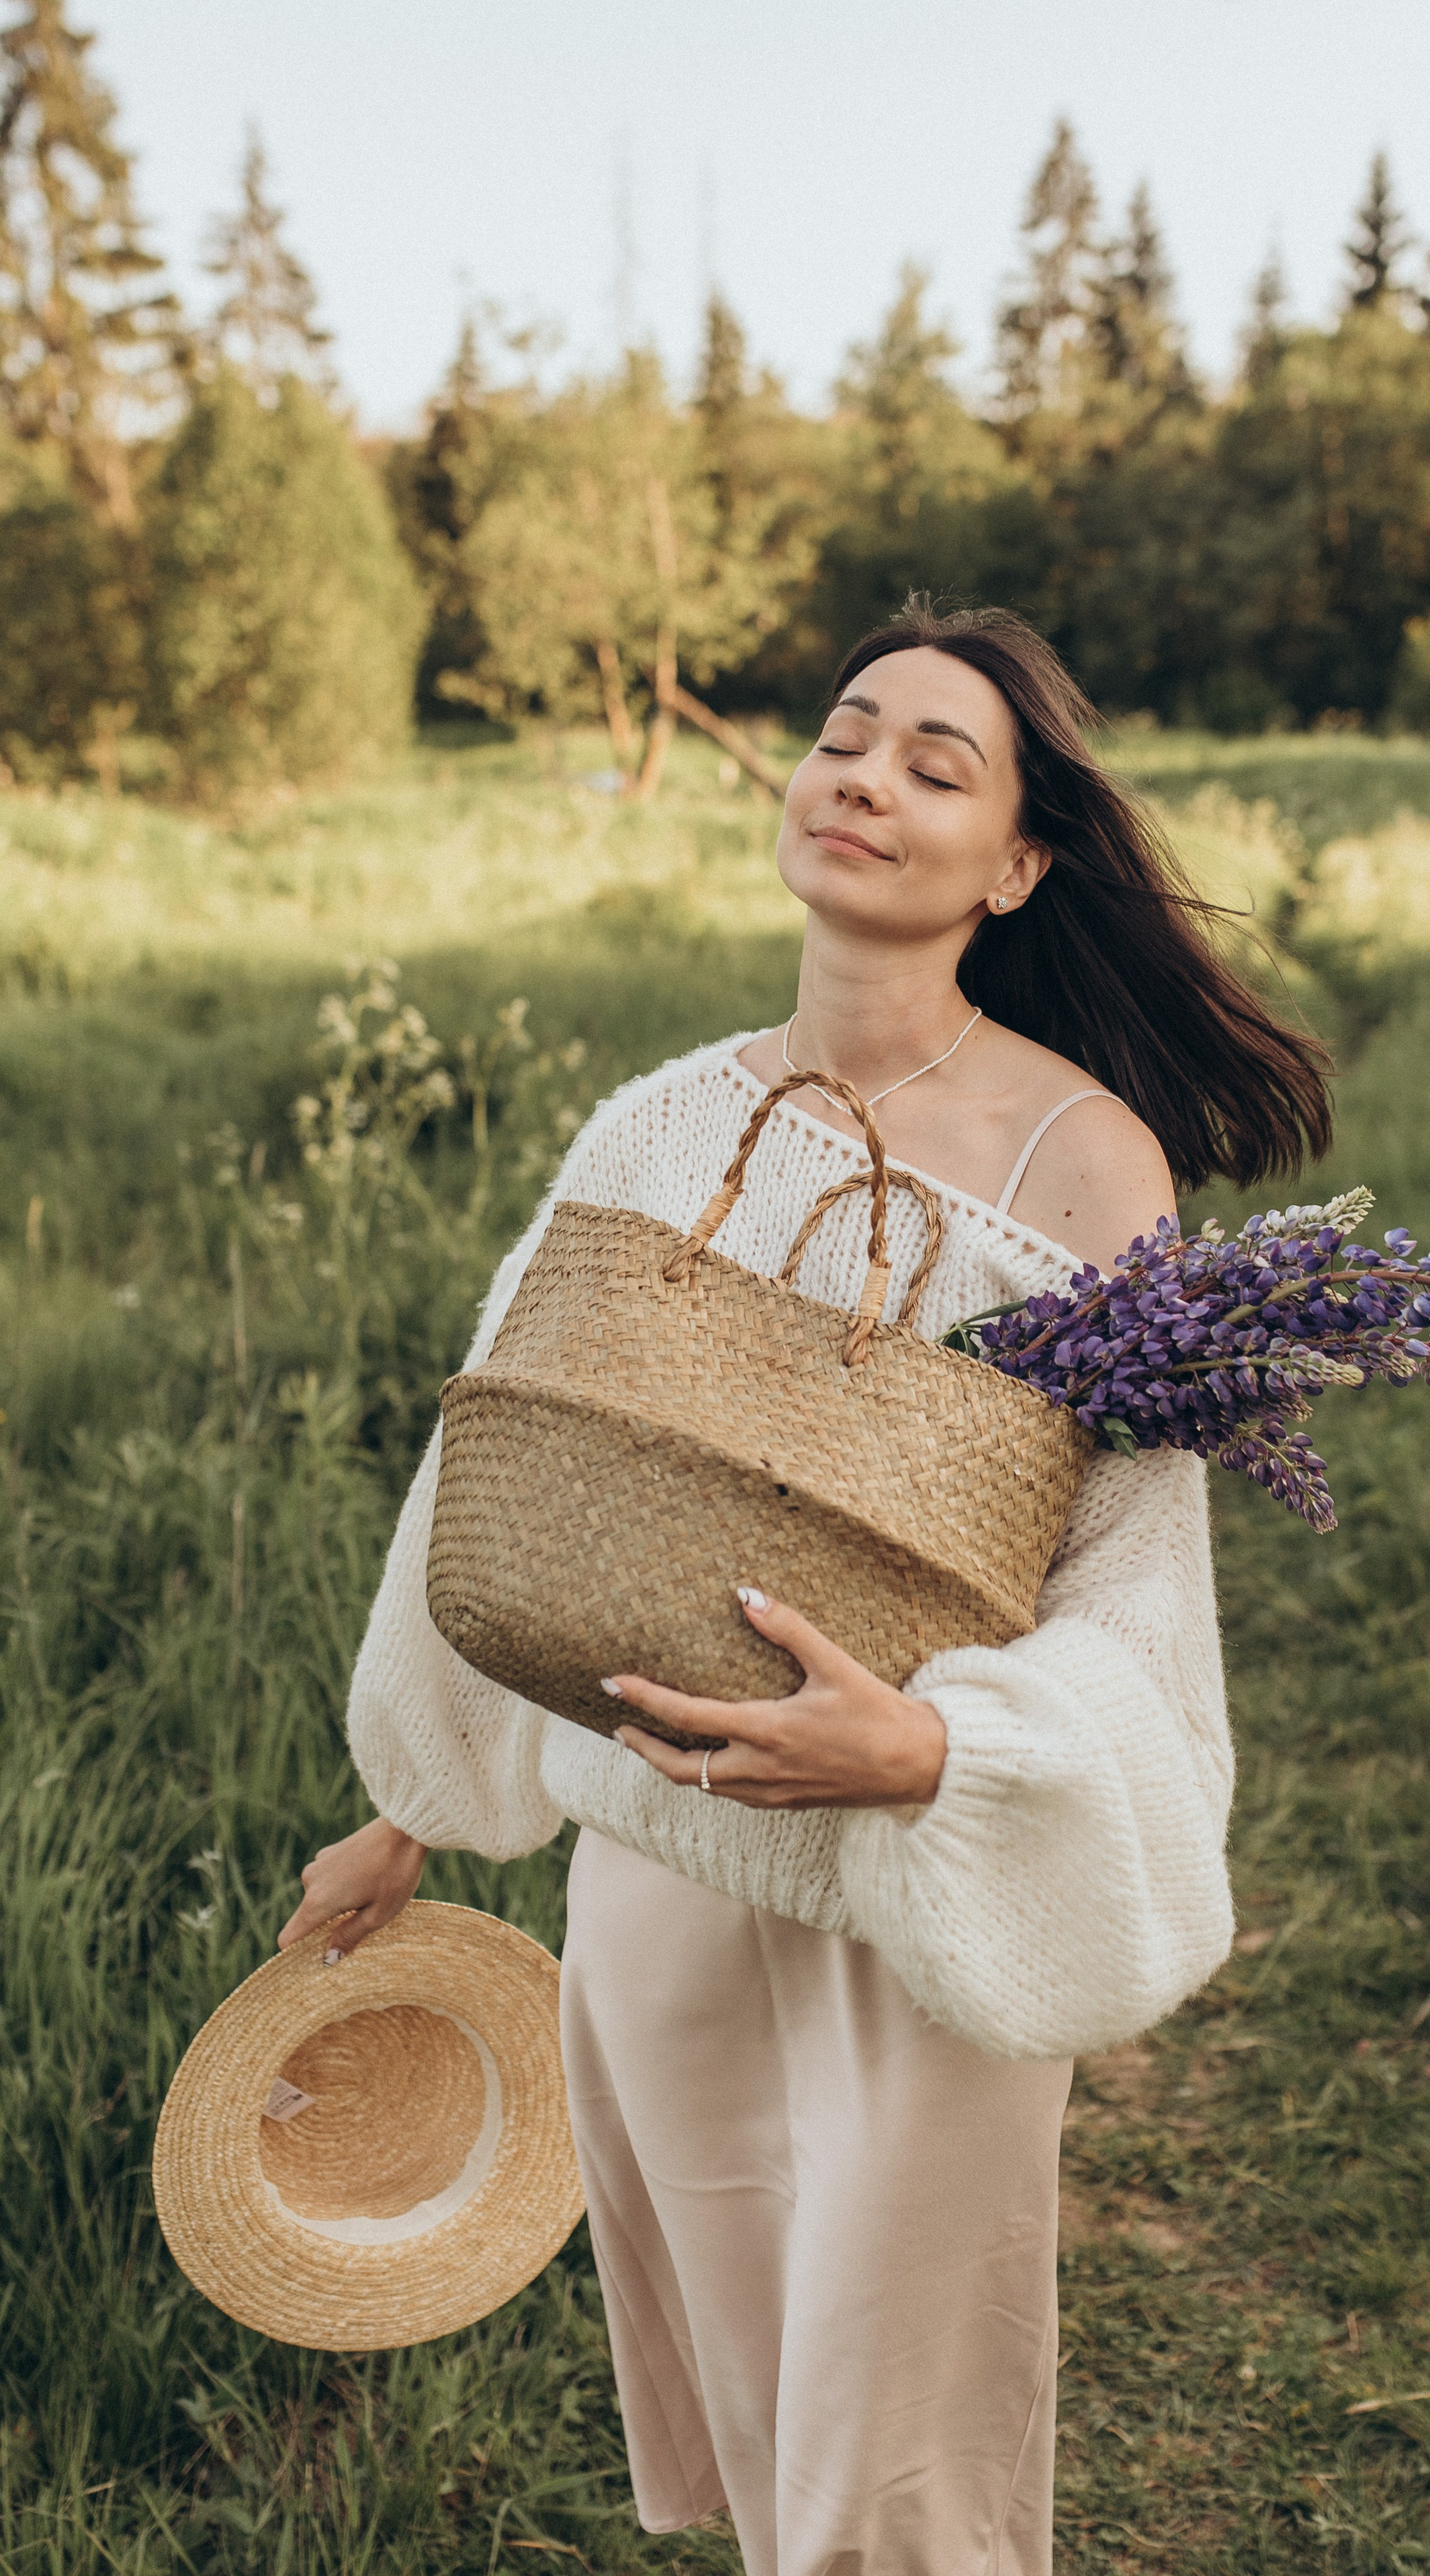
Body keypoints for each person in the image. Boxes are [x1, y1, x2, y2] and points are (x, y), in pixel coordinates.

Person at [278, 604, 1332, 2575]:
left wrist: (933, 1748)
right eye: (847, 736)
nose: (866, 777)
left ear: (1017, 865)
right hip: (657, 1890)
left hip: (918, 1914)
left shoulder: (1082, 1162)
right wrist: (409, 1808)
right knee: (770, 2438)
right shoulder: (655, 1127)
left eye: (940, 764)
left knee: (899, 2480)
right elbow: (511, 1485)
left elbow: (1138, 1598)